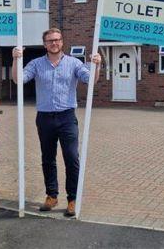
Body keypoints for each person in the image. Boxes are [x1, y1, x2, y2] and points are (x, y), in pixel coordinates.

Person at [12, 28, 101, 217]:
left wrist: (97, 65)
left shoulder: (74, 63)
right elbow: (19, 80)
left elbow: (90, 80)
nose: (54, 43)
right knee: (48, 158)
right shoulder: (36, 64)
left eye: (57, 40)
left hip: (67, 117)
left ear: (62, 42)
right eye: (50, 40)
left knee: (71, 158)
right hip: (44, 118)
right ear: (44, 44)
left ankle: (73, 199)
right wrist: (15, 59)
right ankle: (51, 196)